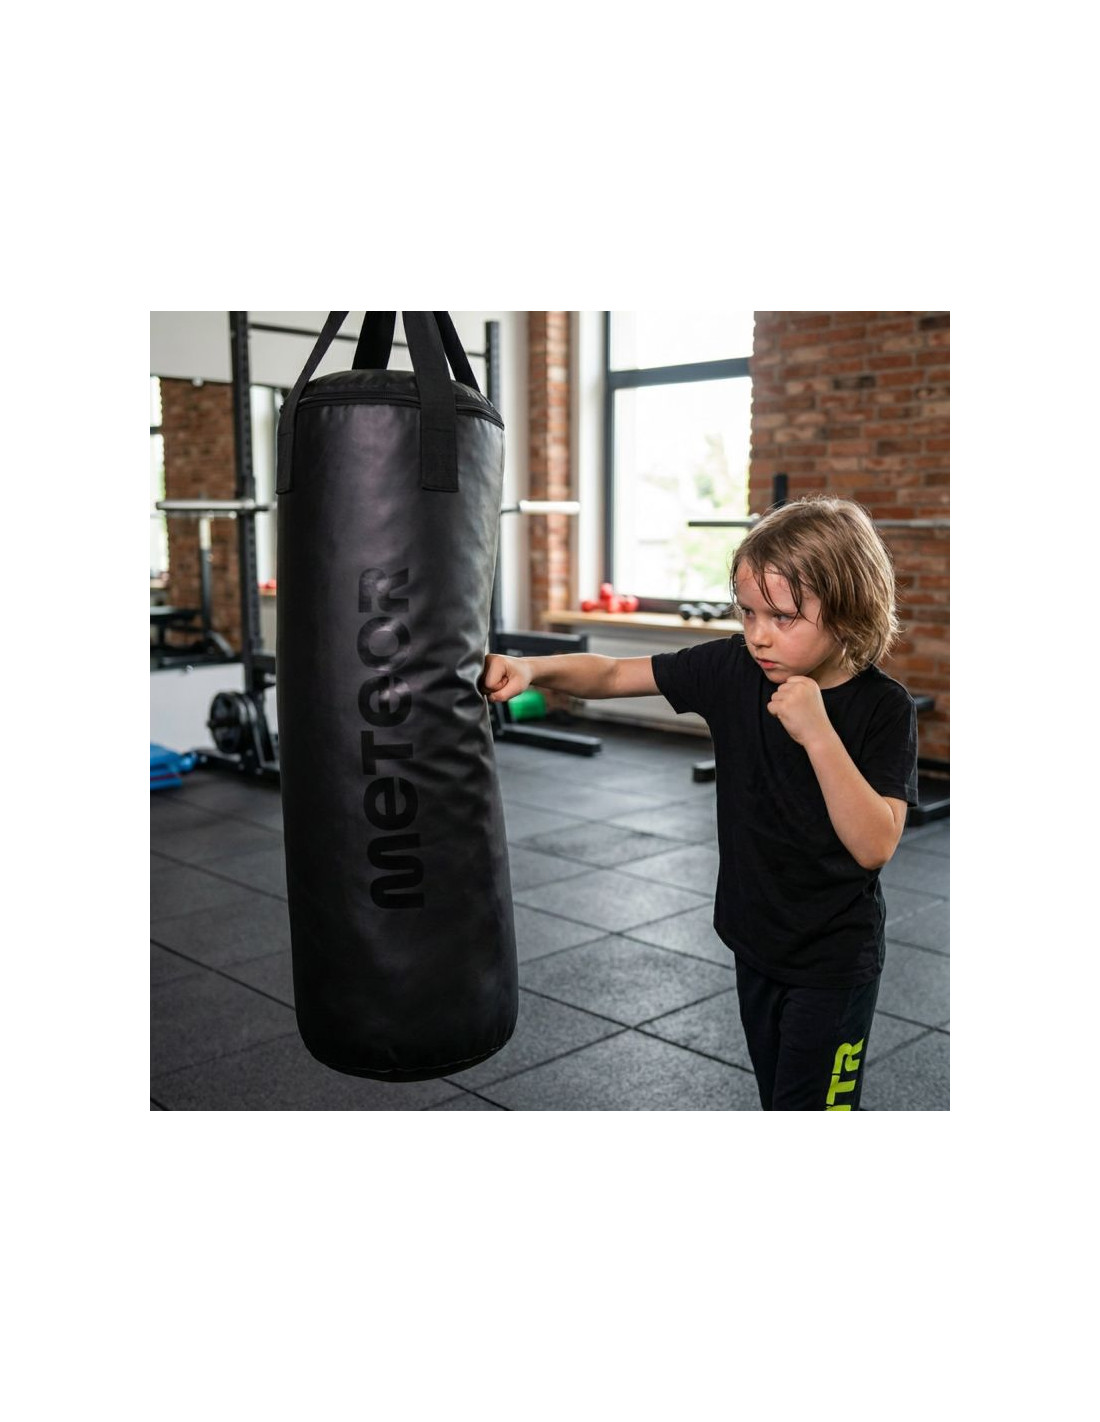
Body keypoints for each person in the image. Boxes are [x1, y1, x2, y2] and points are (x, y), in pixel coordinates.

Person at [480, 496, 918, 1111]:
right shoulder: (732, 669)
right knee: (779, 1101)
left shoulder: (883, 708)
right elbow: (613, 675)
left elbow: (874, 845)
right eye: (748, 612)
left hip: (833, 961)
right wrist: (531, 669)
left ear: (848, 610)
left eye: (783, 617)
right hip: (754, 941)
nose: (758, 634)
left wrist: (818, 732)